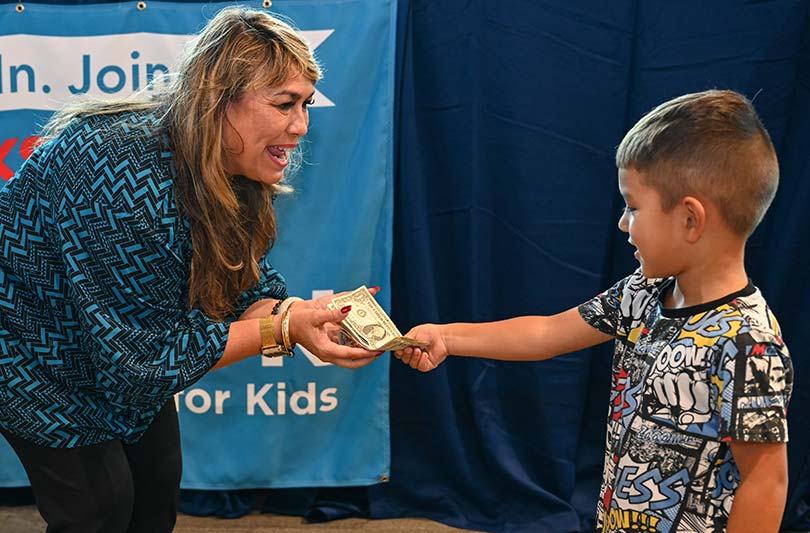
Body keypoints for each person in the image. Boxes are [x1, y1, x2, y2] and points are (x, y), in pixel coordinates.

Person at [0, 7, 383, 532]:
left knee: (155, 500)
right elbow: (141, 367)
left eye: (306, 104)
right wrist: (282, 329)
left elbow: (239, 282)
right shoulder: (117, 170)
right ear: (220, 101)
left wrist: (300, 314)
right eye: (284, 104)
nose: (301, 125)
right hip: (28, 353)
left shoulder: (230, 163)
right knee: (98, 512)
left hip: (121, 348)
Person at [395, 90, 793, 532]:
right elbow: (547, 333)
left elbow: (766, 479)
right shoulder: (642, 293)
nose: (623, 222)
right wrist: (448, 337)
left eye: (633, 206)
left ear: (690, 219)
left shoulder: (748, 343)